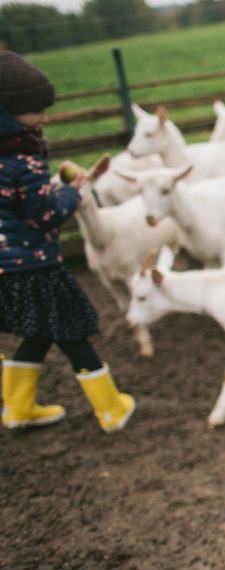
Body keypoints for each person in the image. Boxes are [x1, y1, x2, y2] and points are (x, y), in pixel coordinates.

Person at [1, 50, 135, 433]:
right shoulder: (24, 162)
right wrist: (73, 192)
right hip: (36, 264)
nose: (44, 117)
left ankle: (18, 407)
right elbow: (47, 215)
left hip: (7, 264)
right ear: (8, 112)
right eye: (36, 110)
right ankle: (111, 409)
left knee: (38, 331)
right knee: (73, 331)